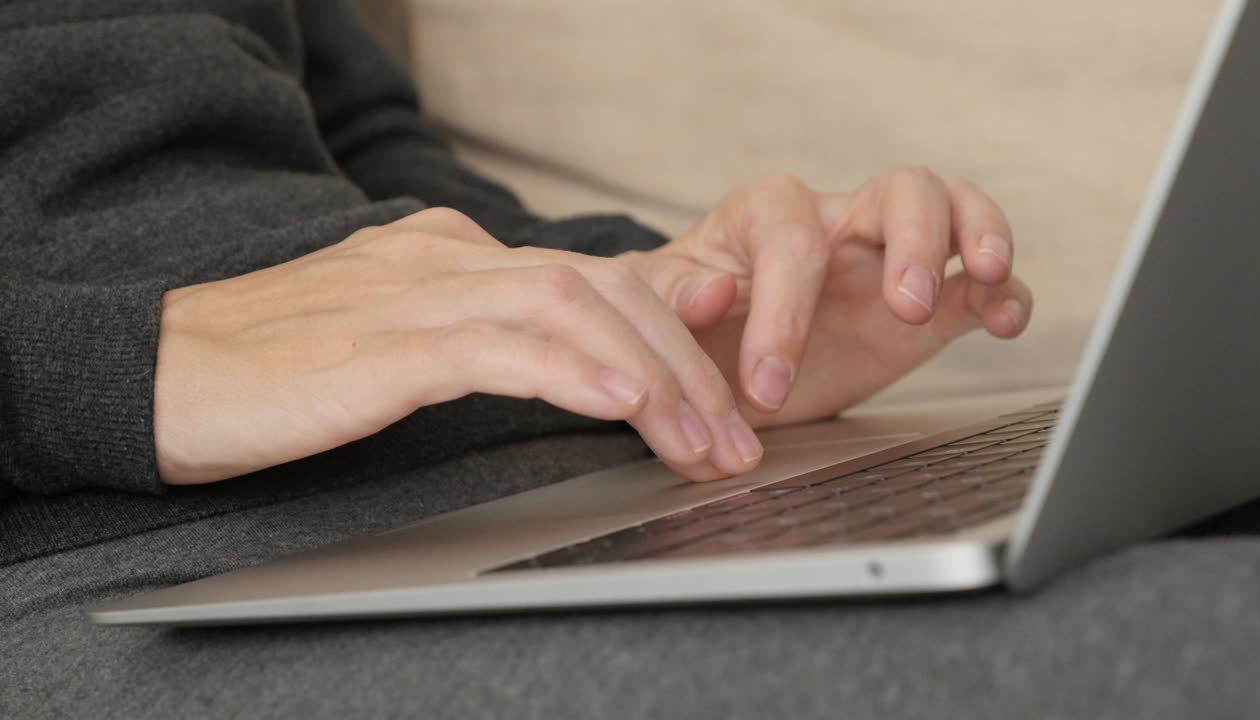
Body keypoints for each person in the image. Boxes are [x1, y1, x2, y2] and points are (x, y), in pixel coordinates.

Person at [1, 1, 1032, 715]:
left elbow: (365, 144)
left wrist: (645, 301)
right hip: (114, 551)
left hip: (554, 471)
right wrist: (118, 372)